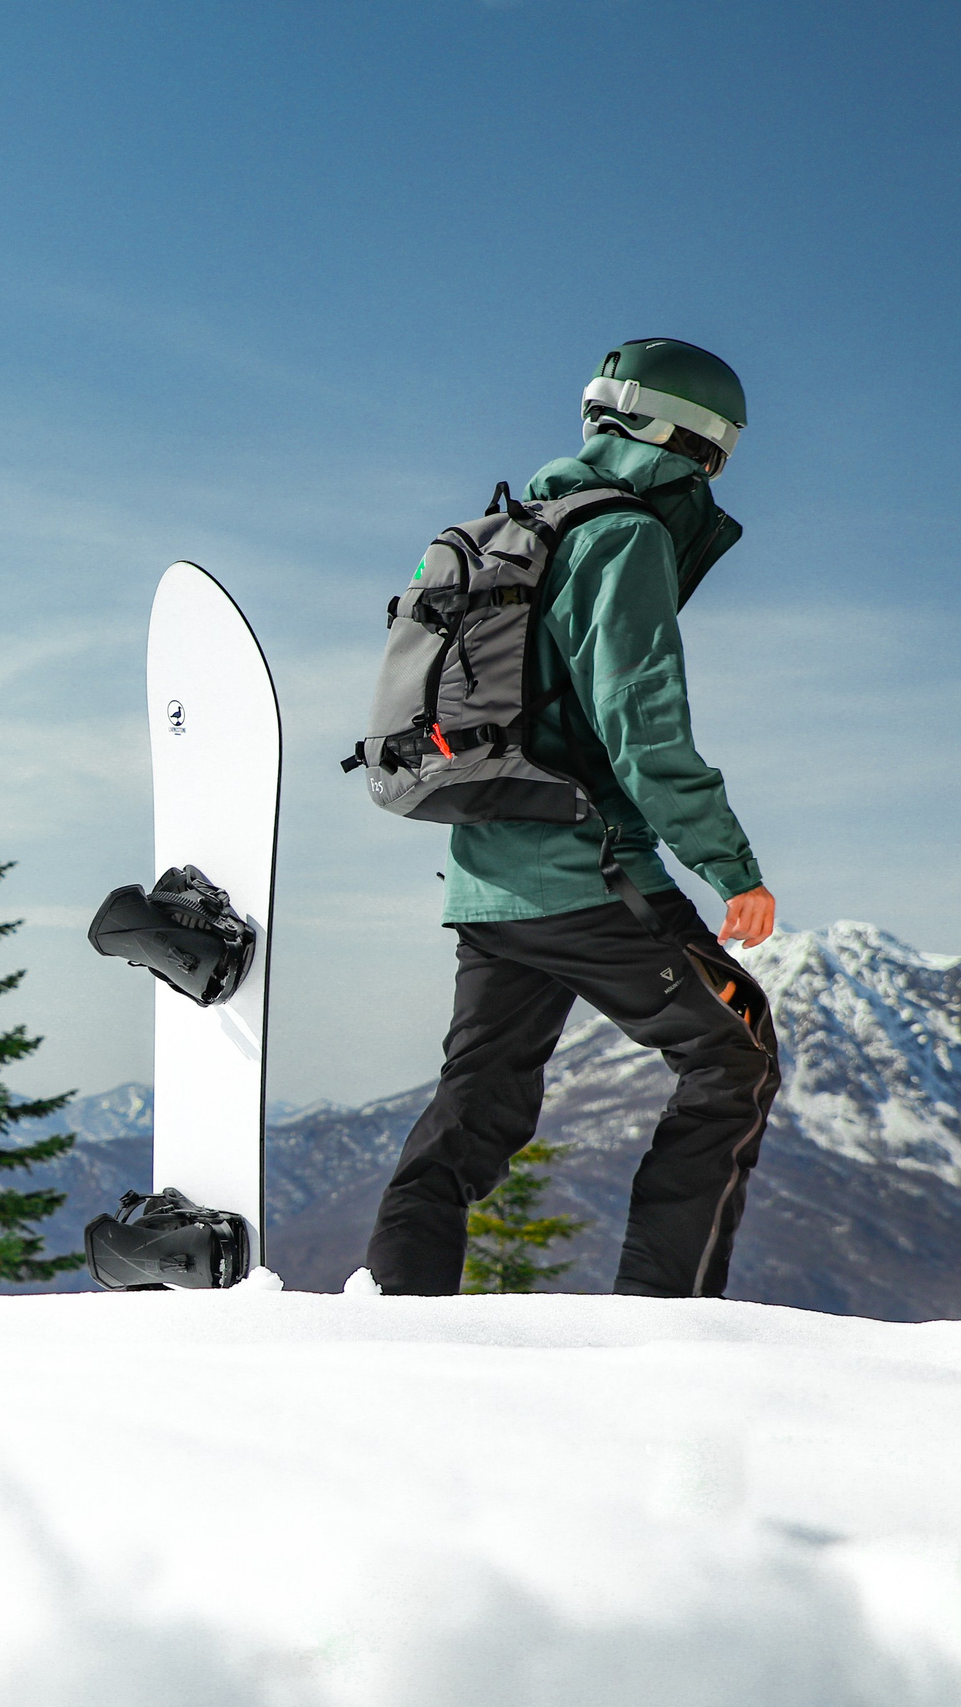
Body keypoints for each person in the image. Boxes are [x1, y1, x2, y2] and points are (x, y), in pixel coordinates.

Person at [363, 337, 780, 1300]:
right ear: (699, 444)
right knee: (734, 1049)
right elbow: (645, 729)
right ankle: (666, 1320)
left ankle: (393, 1307)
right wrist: (731, 867)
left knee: (474, 1106)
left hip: (487, 878)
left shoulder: (524, 527)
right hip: (590, 871)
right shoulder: (620, 535)